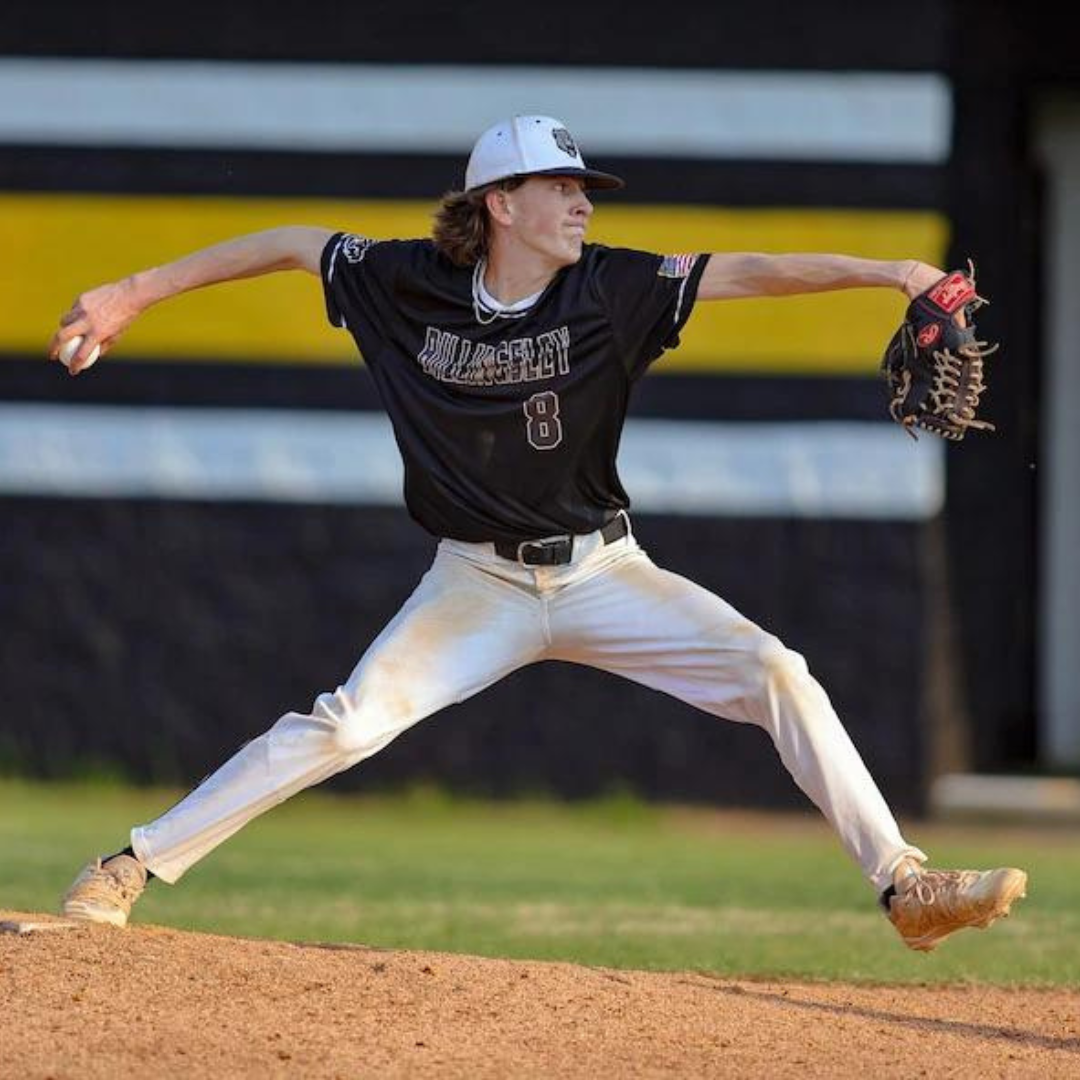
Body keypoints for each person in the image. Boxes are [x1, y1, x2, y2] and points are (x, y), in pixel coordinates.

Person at [51, 115, 1026, 952]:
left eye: (583, 186)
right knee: (347, 724)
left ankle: (905, 887)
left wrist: (896, 271)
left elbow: (758, 271)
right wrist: (132, 293)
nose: (582, 202)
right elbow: (289, 241)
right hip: (475, 586)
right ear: (498, 205)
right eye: (559, 185)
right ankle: (128, 867)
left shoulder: (612, 288)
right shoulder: (404, 283)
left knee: (777, 671)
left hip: (605, 572)